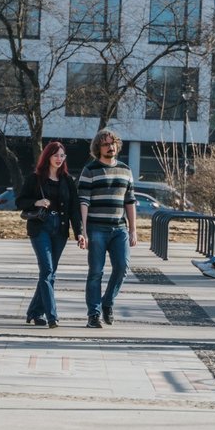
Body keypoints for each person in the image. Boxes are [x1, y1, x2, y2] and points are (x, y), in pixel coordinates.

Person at [16, 141, 85, 328]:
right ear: (48, 156)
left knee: (50, 273)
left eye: (62, 156)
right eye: (56, 155)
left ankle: (34, 312)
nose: (59, 159)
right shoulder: (35, 178)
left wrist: (80, 233)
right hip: (41, 227)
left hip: (60, 229)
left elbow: (74, 210)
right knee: (47, 270)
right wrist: (37, 202)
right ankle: (52, 316)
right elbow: (20, 201)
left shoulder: (68, 180)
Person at [78, 129, 137, 328]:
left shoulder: (126, 170)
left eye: (113, 143)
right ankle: (93, 314)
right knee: (96, 271)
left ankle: (108, 302)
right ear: (98, 147)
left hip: (120, 229)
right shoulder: (90, 170)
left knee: (122, 267)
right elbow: (83, 202)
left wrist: (133, 230)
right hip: (96, 228)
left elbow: (130, 201)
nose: (110, 147)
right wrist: (83, 231)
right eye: (105, 144)